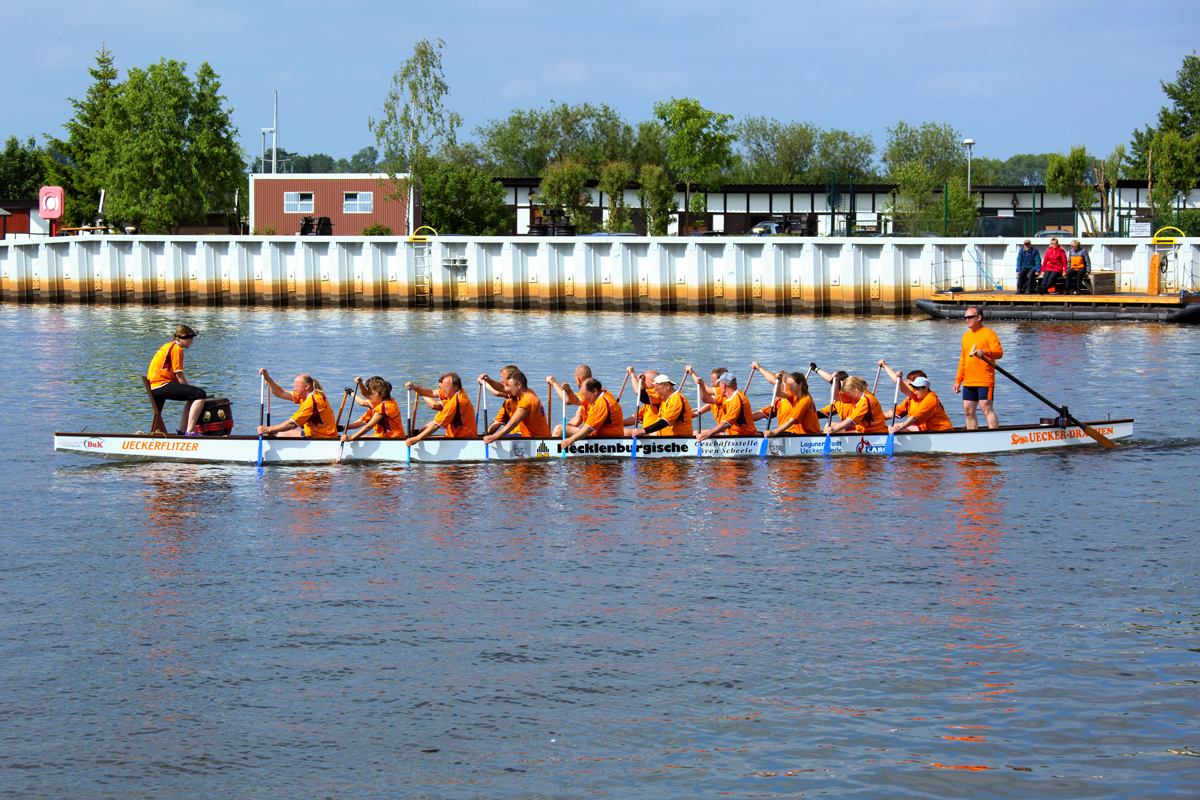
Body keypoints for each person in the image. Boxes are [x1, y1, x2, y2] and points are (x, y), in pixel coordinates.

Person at [146, 324, 207, 435]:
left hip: (157, 386)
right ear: (184, 336)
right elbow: (179, 375)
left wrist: (191, 392)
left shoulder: (169, 345)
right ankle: (191, 432)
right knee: (200, 394)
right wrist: (192, 391)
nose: (192, 342)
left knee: (194, 396)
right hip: (161, 385)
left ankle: (182, 431)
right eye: (191, 338)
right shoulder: (177, 349)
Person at [953, 306, 1003, 429]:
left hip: (985, 380)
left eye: (969, 317)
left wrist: (985, 352)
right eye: (965, 318)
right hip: (969, 381)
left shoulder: (989, 334)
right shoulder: (966, 336)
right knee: (968, 410)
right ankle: (972, 437)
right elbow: (963, 360)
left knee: (985, 407)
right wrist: (958, 380)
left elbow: (999, 353)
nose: (966, 320)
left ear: (979, 317)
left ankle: (995, 436)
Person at [878, 361, 955, 433]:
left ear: (925, 388)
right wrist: (873, 418)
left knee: (895, 428)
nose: (914, 391)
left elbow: (913, 419)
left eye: (916, 388)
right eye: (913, 387)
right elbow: (899, 384)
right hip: (923, 427)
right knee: (891, 426)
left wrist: (900, 429)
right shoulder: (914, 396)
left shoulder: (930, 399)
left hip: (939, 430)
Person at [258, 369, 337, 437]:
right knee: (276, 431)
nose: (294, 389)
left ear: (306, 386)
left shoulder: (314, 400)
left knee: (282, 434)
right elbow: (281, 393)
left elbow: (292, 424)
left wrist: (268, 429)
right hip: (314, 433)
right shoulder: (304, 396)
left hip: (323, 438)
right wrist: (267, 378)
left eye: (296, 386)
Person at [405, 373, 477, 445]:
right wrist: (414, 388)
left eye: (445, 387)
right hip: (458, 437)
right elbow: (431, 392)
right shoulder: (458, 392)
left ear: (455, 387)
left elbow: (437, 425)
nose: (443, 389)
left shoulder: (455, 402)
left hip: (464, 440)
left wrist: (417, 438)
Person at [482, 371, 553, 443]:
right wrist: (489, 380)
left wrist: (494, 437)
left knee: (499, 438)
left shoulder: (526, 401)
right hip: (539, 436)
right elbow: (502, 388)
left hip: (536, 440)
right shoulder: (530, 392)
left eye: (510, 386)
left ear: (519, 385)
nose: (509, 389)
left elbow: (513, 423)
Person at [693, 370, 757, 441]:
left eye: (719, 383)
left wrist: (708, 433)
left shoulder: (737, 399)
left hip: (744, 436)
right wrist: (701, 386)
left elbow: (727, 423)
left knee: (702, 434)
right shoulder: (724, 396)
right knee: (696, 433)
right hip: (732, 434)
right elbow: (706, 399)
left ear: (723, 385)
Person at [559, 378, 624, 447]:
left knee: (559, 430)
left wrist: (571, 439)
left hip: (611, 439)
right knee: (561, 429)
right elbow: (575, 400)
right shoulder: (597, 394)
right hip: (598, 434)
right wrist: (569, 391)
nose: (583, 398)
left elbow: (589, 428)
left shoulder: (602, 403)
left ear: (594, 391)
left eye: (584, 395)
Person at [341, 376, 404, 441]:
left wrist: (351, 437)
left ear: (381, 394)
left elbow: (369, 426)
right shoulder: (391, 401)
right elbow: (366, 395)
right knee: (362, 436)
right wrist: (342, 428)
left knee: (359, 437)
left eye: (371, 394)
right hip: (392, 436)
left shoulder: (383, 407)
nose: (369, 396)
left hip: (393, 439)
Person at [629, 374, 693, 437]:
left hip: (679, 439)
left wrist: (643, 431)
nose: (655, 392)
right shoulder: (663, 398)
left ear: (667, 386)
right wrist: (642, 386)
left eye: (656, 389)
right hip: (665, 437)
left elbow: (665, 422)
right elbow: (645, 399)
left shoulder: (676, 399)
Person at [760, 371, 821, 437]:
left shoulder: (804, 401)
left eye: (791, 385)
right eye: (788, 385)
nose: (788, 387)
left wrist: (774, 432)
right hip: (804, 434)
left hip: (809, 435)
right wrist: (779, 383)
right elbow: (777, 393)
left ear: (800, 384)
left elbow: (791, 421)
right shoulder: (795, 395)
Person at [822, 376, 887, 435]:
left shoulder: (866, 401)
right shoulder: (856, 396)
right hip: (862, 429)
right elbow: (835, 396)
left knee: (833, 430)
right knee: (829, 425)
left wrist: (835, 430)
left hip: (875, 432)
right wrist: (835, 382)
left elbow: (851, 420)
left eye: (848, 392)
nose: (847, 394)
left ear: (856, 388)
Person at [547, 366, 596, 437]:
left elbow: (567, 400)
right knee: (560, 430)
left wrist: (554, 383)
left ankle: (552, 447)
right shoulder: (592, 392)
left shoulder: (590, 393)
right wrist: (565, 428)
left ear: (578, 380)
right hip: (590, 431)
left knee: (558, 429)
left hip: (594, 433)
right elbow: (577, 419)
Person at [478, 364, 520, 435]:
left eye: (502, 378)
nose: (500, 380)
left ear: (511, 379)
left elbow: (497, 392)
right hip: (515, 435)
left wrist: (484, 383)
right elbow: (497, 423)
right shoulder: (508, 402)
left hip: (525, 435)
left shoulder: (518, 392)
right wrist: (482, 437)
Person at [622, 367, 661, 435]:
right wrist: (617, 423)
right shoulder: (646, 400)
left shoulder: (658, 394)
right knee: (623, 431)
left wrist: (632, 375)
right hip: (647, 432)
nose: (640, 382)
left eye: (644, 380)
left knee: (625, 432)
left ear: (653, 381)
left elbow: (638, 392)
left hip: (656, 433)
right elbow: (636, 418)